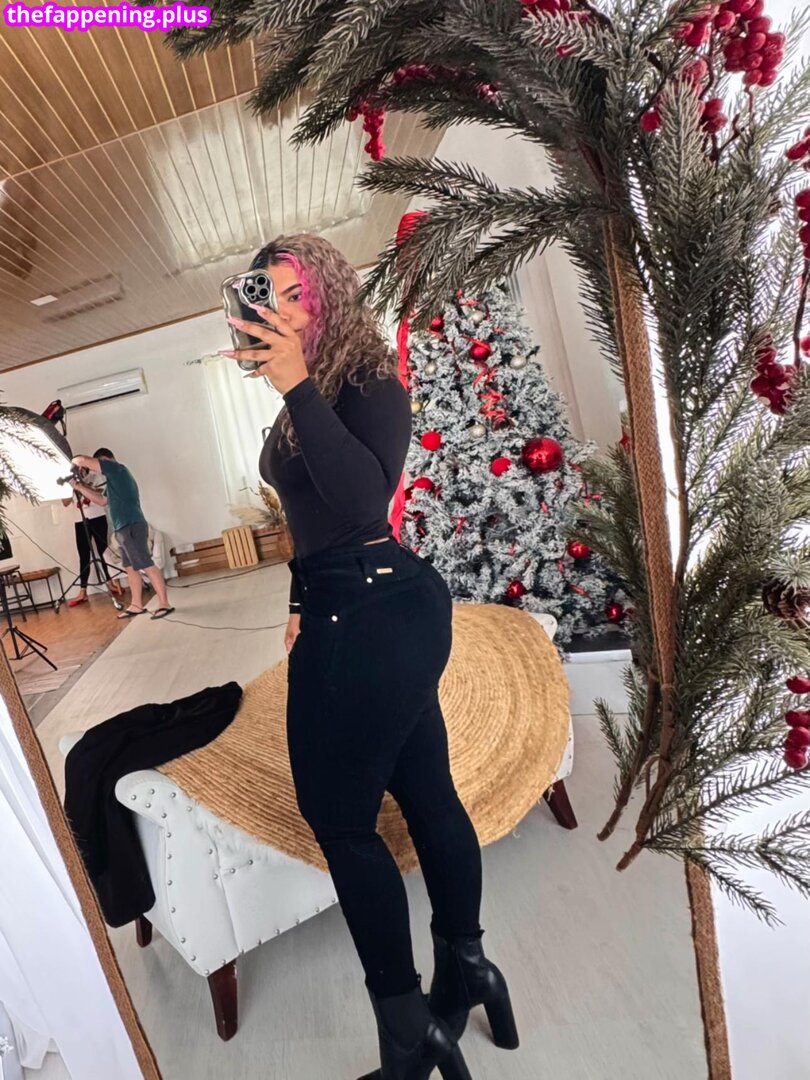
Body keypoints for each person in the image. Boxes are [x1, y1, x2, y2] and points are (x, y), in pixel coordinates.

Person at [219, 235, 517, 1080]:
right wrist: (297, 600)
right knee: (426, 793)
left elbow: (360, 503)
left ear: (327, 296)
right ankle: (469, 970)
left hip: (378, 608)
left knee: (342, 820)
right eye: (266, 295)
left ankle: (408, 1034)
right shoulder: (305, 389)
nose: (279, 309)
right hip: (345, 602)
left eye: (293, 293)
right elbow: (306, 518)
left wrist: (296, 386)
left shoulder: (366, 381)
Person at [69, 450, 174, 622]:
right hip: (122, 529)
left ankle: (164, 603)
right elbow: (102, 501)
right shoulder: (114, 480)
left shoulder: (117, 469)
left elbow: (81, 460)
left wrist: (74, 462)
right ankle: (136, 605)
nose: (100, 467)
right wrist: (78, 486)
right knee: (130, 568)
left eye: (100, 463)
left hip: (131, 525)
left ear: (109, 459)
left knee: (146, 564)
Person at [60, 469, 122, 607]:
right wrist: (72, 486)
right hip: (80, 520)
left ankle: (110, 583)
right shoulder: (69, 481)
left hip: (98, 517)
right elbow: (65, 502)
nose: (79, 470)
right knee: (84, 555)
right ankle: (83, 591)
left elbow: (102, 494)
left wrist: (82, 485)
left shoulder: (95, 476)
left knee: (103, 551)